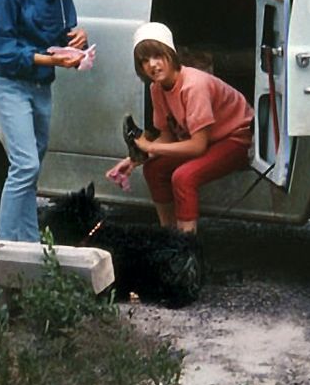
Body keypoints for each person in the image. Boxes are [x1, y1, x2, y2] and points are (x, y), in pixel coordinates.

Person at [0, 0, 89, 242]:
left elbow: (64, 31)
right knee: (24, 164)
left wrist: (78, 39)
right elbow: (2, 51)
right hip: (11, 84)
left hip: (42, 85)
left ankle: (29, 244)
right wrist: (49, 58)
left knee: (33, 168)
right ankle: (3, 246)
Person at [107, 22, 253, 233]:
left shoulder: (194, 85)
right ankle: (168, 235)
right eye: (144, 61)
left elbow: (197, 147)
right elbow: (166, 136)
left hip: (236, 138)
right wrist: (135, 159)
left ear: (171, 54)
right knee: (154, 169)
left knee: (184, 177)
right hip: (207, 139)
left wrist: (150, 147)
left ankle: (185, 248)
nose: (152, 65)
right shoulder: (156, 88)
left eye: (158, 56)